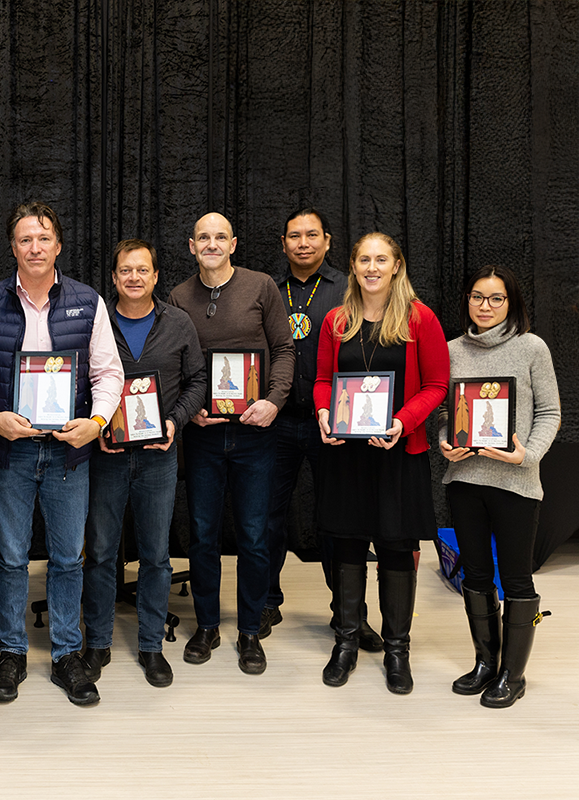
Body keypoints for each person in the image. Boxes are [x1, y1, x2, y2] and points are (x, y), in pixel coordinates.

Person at [0, 201, 124, 707]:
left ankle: (66, 654)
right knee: (11, 559)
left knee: (68, 559)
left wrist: (96, 423)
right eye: (25, 239)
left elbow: (109, 373)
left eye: (43, 238)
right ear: (13, 247)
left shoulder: (87, 301)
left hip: (67, 454)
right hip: (8, 452)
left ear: (58, 245)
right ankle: (11, 653)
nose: (35, 248)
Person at [314, 232, 449, 693]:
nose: (372, 268)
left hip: (397, 453)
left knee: (395, 550)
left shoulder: (419, 318)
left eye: (381, 260)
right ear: (353, 266)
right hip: (347, 455)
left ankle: (397, 650)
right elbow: (322, 380)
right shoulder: (336, 320)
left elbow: (437, 385)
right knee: (348, 547)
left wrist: (401, 422)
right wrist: (324, 412)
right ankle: (346, 643)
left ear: (396, 266)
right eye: (364, 260)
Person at [166, 212, 295, 675]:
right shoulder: (179, 296)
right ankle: (206, 625)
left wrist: (275, 401)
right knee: (202, 534)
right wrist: (187, 409)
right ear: (191, 245)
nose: (212, 244)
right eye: (203, 237)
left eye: (220, 236)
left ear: (233, 243)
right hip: (202, 434)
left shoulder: (261, 287)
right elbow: (175, 363)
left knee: (254, 535)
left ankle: (249, 631)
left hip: (255, 433)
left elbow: (284, 349)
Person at [80, 239, 206, 688]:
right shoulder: (96, 323)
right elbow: (80, 382)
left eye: (142, 270)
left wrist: (174, 421)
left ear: (155, 276)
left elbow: (198, 380)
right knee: (100, 554)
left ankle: (151, 645)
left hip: (158, 458)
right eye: (125, 271)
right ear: (114, 278)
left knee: (155, 556)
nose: (133, 277)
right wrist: (96, 425)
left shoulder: (179, 323)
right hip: (106, 457)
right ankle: (97, 642)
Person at [261, 209, 385, 650]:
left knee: (339, 520)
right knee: (267, 517)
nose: (303, 243)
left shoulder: (348, 289)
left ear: (328, 241)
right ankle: (265, 601)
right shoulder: (267, 290)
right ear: (283, 243)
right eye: (294, 236)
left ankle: (349, 614)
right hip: (277, 422)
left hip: (334, 422)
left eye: (312, 235)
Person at [438, 265, 560, 707]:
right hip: (464, 480)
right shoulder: (451, 350)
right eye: (477, 297)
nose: (485, 306)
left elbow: (550, 412)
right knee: (474, 575)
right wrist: (445, 440)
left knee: (516, 578)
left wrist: (526, 455)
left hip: (516, 482)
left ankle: (513, 674)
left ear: (511, 303)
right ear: (466, 300)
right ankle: (485, 663)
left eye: (496, 298)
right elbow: (444, 411)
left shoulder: (532, 347)